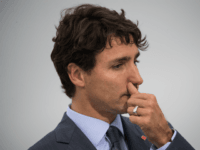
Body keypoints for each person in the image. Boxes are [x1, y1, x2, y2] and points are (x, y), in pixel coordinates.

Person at [28, 4, 194, 150]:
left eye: (135, 61)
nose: (138, 79)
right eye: (118, 65)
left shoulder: (159, 134)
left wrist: (165, 140)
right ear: (77, 75)